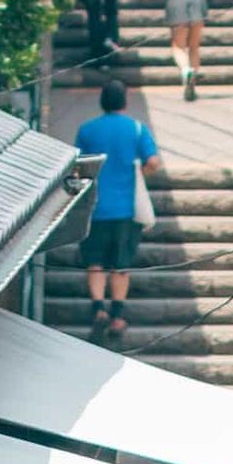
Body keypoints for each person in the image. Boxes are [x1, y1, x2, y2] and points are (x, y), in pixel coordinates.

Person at [71, 80, 158, 341]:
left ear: (102, 102)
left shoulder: (87, 130)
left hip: (95, 208)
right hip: (126, 210)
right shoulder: (136, 128)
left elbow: (78, 167)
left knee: (95, 262)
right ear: (125, 102)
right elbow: (153, 162)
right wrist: (140, 174)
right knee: (121, 265)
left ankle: (99, 308)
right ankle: (117, 315)